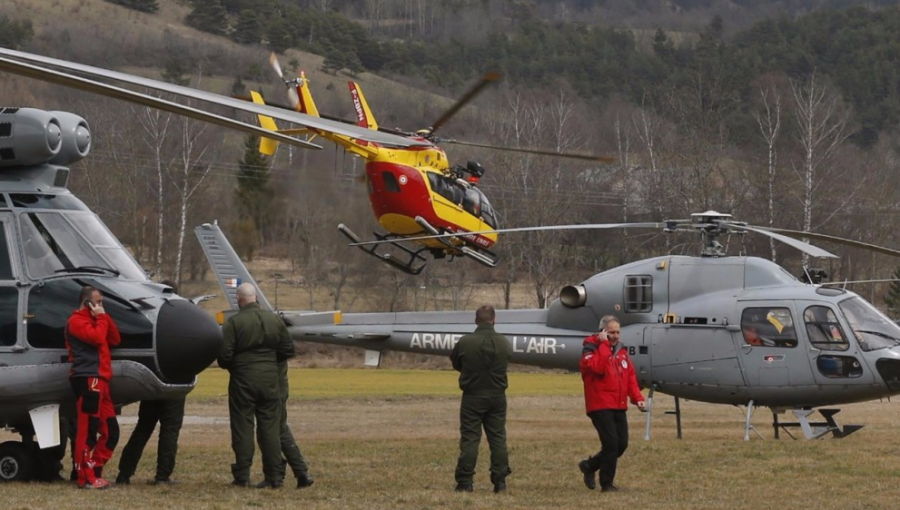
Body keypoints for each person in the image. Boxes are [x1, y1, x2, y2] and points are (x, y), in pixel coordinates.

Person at [218, 283, 295, 489]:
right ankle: (274, 477)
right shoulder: (274, 320)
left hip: (243, 381)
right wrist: (269, 362)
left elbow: (224, 357)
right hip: (270, 381)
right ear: (256, 298)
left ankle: (242, 475)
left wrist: (239, 365)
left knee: (243, 426)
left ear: (239, 299)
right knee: (270, 428)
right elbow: (288, 349)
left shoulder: (233, 324)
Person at [116, 281, 186, 486]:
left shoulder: (150, 318)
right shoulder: (183, 319)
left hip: (153, 380)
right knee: (170, 429)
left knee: (144, 426)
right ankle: (163, 476)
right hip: (175, 381)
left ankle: (124, 473)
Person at [578, 315, 645, 493]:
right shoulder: (590, 349)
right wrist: (603, 345)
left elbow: (629, 376)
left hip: (618, 404)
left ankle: (589, 466)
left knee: (621, 444)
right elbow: (597, 367)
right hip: (600, 405)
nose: (615, 336)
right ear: (602, 332)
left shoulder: (620, 351)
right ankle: (606, 484)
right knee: (611, 444)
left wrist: (637, 398)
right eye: (611, 332)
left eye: (617, 332)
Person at [449, 305, 511, 494]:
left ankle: (465, 481)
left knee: (470, 438)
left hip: (473, 396)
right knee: (498, 438)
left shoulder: (465, 342)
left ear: (476, 321)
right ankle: (500, 480)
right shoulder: (504, 342)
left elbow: (456, 363)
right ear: (494, 320)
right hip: (497, 396)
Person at [66, 285, 121, 490]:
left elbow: (115, 338)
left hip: (102, 381)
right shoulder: (76, 321)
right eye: (98, 302)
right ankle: (85, 477)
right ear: (87, 302)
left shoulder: (98, 320)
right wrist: (99, 318)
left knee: (111, 431)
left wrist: (103, 315)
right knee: (87, 430)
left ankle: (95, 468)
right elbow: (98, 338)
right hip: (88, 379)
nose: (101, 306)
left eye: (102, 303)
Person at [276, 358, 315, 489]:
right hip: (279, 386)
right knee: (279, 428)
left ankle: (277, 473)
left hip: (271, 387)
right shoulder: (281, 341)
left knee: (271, 429)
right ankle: (301, 472)